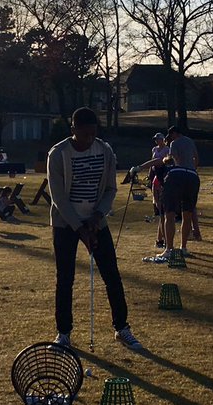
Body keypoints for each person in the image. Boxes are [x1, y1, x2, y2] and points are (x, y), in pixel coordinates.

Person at [46, 107, 142, 350]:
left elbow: (110, 189)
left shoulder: (105, 150)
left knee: (112, 275)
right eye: (84, 135)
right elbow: (58, 198)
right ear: (73, 130)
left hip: (96, 221)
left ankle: (122, 328)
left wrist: (97, 217)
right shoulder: (58, 155)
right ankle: (63, 333)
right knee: (65, 279)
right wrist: (80, 228)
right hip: (65, 223)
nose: (89, 140)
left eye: (92, 134)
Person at [152, 126, 201, 262]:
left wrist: (168, 161)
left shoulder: (174, 143)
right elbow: (196, 159)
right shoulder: (190, 141)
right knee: (187, 214)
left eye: (170, 136)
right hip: (193, 176)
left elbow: (174, 159)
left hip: (177, 175)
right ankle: (183, 247)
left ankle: (169, 249)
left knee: (170, 214)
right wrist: (190, 169)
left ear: (175, 134)